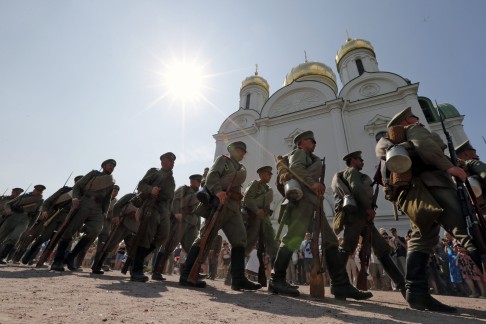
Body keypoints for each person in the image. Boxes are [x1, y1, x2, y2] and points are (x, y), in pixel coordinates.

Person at [376, 106, 481, 312]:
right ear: (407, 121)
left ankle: (416, 293)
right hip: (434, 185)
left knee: (423, 236)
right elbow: (425, 145)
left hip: (413, 193)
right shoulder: (414, 129)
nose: (419, 120)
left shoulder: (390, 144)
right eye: (415, 117)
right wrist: (449, 167)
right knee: (467, 229)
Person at [269, 130, 372, 300]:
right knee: (293, 237)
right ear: (301, 143)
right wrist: (313, 184)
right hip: (302, 200)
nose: (315, 143)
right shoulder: (300, 152)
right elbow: (296, 168)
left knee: (331, 241)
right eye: (311, 141)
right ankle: (276, 279)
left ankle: (340, 285)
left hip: (313, 203)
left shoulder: (311, 157)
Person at [179, 141, 261, 291]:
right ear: (231, 150)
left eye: (244, 151)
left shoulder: (241, 169)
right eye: (239, 150)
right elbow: (212, 176)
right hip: (218, 204)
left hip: (233, 207)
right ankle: (186, 274)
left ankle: (238, 279)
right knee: (204, 237)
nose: (242, 153)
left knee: (240, 238)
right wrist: (218, 191)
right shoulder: (223, 160)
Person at [333, 151, 406, 295]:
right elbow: (358, 189)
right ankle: (337, 284)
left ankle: (402, 285)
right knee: (347, 247)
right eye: (360, 159)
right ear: (353, 160)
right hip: (357, 215)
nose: (362, 161)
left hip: (364, 217)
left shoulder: (355, 173)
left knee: (381, 249)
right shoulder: (352, 172)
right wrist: (368, 208)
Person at [50, 159, 116, 271]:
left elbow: (107, 199)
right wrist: (75, 198)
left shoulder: (111, 181)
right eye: (110, 165)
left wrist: (104, 212)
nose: (112, 167)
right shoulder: (93, 174)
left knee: (95, 231)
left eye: (113, 166)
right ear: (104, 165)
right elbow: (78, 186)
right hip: (84, 203)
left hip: (97, 208)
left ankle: (71, 257)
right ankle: (58, 261)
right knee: (69, 232)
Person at [129, 152, 176, 282]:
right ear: (162, 161)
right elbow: (141, 185)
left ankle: (136, 258)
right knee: (146, 236)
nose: (172, 163)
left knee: (163, 236)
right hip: (152, 206)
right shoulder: (155, 172)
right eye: (169, 160)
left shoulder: (171, 178)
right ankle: (137, 269)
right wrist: (151, 189)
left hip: (164, 210)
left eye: (173, 161)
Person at [20, 176, 83, 265]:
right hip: (55, 215)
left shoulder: (84, 195)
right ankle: (28, 256)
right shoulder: (65, 190)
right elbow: (50, 200)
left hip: (68, 219)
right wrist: (45, 210)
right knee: (44, 237)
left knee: (56, 240)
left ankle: (43, 260)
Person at [151, 173, 203, 281]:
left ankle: (191, 272)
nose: (198, 183)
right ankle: (157, 271)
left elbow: (198, 211)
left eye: (199, 181)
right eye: (197, 181)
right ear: (192, 181)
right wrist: (176, 212)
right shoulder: (184, 189)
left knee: (193, 248)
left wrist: (198, 225)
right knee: (169, 245)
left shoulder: (200, 193)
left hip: (192, 223)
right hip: (181, 220)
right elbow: (175, 200)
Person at [90, 191, 139, 274]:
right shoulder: (131, 196)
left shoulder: (148, 201)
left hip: (135, 227)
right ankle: (97, 265)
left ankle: (133, 270)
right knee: (110, 244)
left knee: (132, 249)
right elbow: (117, 205)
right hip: (122, 223)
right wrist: (116, 216)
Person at [0, 185, 45, 263]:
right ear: (34, 190)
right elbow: (8, 204)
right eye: (37, 190)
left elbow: (37, 213)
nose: (39, 192)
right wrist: (8, 210)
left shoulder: (40, 200)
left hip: (24, 220)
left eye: (40, 191)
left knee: (15, 237)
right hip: (12, 217)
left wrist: (31, 225)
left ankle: (1, 257)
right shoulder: (24, 196)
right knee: (1, 235)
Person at [242, 165, 278, 259]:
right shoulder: (255, 184)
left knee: (272, 242)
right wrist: (256, 210)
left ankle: (277, 269)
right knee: (249, 242)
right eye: (268, 174)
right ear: (261, 174)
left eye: (271, 174)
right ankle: (234, 270)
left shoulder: (268, 189)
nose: (270, 176)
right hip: (253, 217)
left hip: (264, 218)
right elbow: (247, 198)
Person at [455, 140, 486, 208]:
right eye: (474, 152)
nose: (477, 155)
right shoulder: (471, 162)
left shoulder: (454, 173)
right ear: (466, 153)